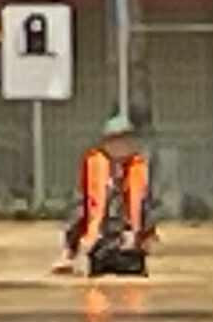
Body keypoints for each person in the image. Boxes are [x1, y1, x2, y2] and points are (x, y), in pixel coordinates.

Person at [65, 112, 155, 276]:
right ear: (105, 143)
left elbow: (145, 208)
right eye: (115, 140)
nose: (121, 145)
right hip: (98, 246)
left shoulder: (137, 169)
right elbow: (79, 208)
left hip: (128, 247)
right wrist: (72, 249)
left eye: (125, 139)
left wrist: (144, 237)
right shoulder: (95, 167)